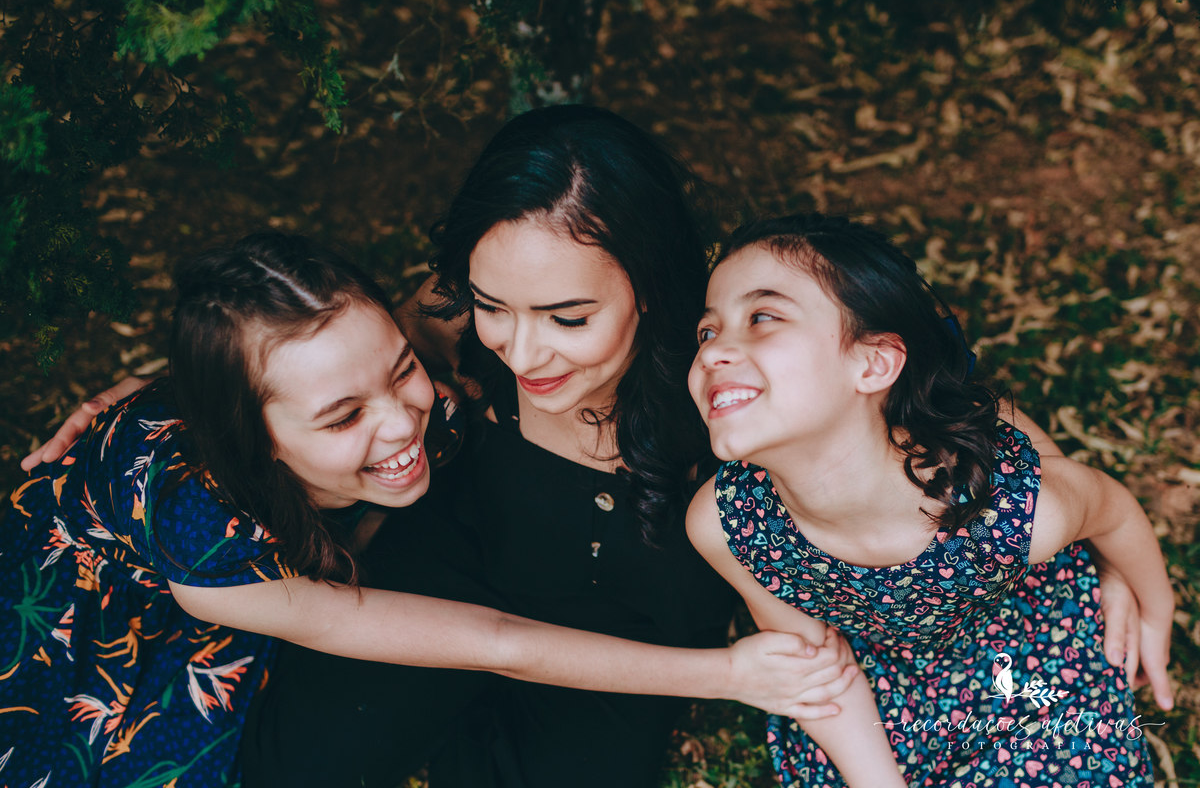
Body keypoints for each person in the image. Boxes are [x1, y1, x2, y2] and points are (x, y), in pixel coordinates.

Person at [22, 109, 1150, 788]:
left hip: (627, 611)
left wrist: (1098, 540)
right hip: (457, 570)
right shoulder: (446, 338)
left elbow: (952, 403)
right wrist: (160, 397)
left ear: (652, 288)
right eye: (492, 306)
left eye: (568, 317)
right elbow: (295, 356)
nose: (523, 350)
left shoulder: (731, 381)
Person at [0, 232, 863, 788]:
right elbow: (494, 640)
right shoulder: (205, 542)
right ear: (251, 434)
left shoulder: (409, 367)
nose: (399, 421)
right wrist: (730, 675)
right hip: (114, 662)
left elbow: (508, 271)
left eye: (399, 369)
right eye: (343, 415)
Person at [686, 213, 1175, 786]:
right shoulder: (726, 525)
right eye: (708, 331)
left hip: (1023, 660)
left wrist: (1152, 606)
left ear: (873, 363)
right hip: (883, 692)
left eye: (762, 317)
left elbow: (1111, 507)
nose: (714, 352)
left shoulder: (1006, 506)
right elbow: (818, 670)